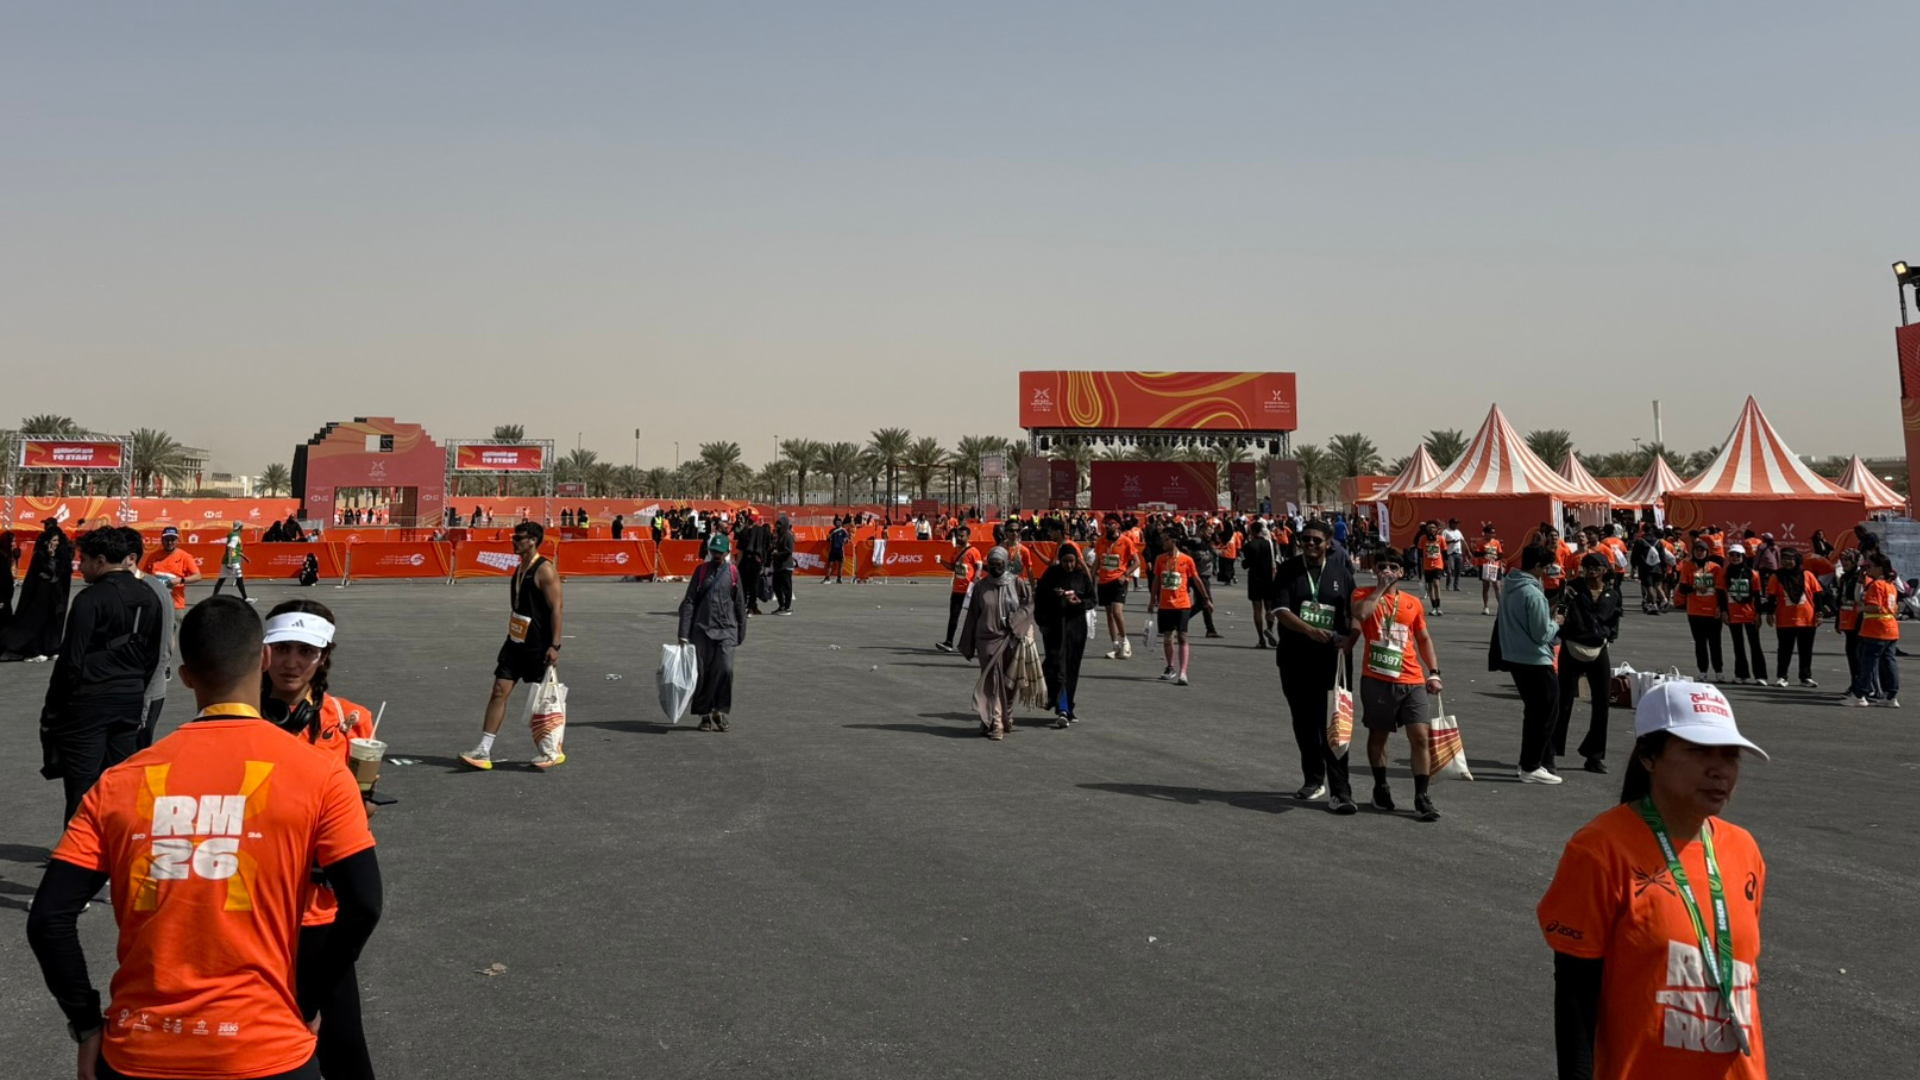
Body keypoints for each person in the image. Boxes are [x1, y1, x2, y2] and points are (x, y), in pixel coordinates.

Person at [26, 595, 383, 1080]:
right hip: (265, 1045)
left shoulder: (118, 782)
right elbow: (364, 904)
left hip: (140, 1049)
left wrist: (86, 1023)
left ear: (186, 675)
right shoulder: (322, 775)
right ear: (263, 659)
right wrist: (307, 1000)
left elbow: (49, 918)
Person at [1537, 680, 1767, 1079]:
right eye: (1698, 751)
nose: (1719, 770)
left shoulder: (1743, 849)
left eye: (1730, 755)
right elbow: (1576, 994)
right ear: (1648, 756)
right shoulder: (1600, 850)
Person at [257, 600, 378, 1080]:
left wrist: (360, 806)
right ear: (263, 652)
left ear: (324, 656)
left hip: (320, 910)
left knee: (344, 1044)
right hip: (254, 904)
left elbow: (360, 812)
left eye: (306, 651)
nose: (291, 662)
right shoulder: (240, 716)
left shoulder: (352, 720)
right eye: (282, 648)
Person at [37, 527, 166, 822]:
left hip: (89, 703)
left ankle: (79, 847)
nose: (80, 567)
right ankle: (117, 842)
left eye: (84, 560)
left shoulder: (90, 598)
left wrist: (52, 710)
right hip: (130, 700)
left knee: (82, 788)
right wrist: (135, 685)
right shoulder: (150, 594)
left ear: (101, 560)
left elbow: (70, 661)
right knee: (119, 784)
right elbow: (154, 655)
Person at [460, 522, 565, 770]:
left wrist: (555, 645)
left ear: (533, 541)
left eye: (519, 538)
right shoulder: (520, 568)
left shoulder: (545, 570)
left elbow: (557, 608)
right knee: (499, 690)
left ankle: (551, 750)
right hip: (515, 641)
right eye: (513, 537)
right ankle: (484, 749)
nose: (514, 542)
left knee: (545, 699)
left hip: (538, 645)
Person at [1269, 519, 1357, 813]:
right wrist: (1308, 630)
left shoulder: (1341, 573)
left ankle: (1341, 792)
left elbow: (1354, 612)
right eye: (1305, 539)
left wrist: (1351, 638)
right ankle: (1313, 779)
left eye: (1316, 540)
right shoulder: (1288, 570)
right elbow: (1280, 609)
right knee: (1304, 722)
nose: (1309, 544)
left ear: (1328, 543)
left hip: (1333, 661)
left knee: (1334, 722)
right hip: (1295, 659)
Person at [1349, 558, 1444, 821]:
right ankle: (1380, 787)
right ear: (1375, 571)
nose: (1387, 571)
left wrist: (1434, 672)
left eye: (1393, 567)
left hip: (1412, 679)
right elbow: (1362, 615)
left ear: (1402, 572)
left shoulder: (1412, 602)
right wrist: (1381, 588)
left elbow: (1423, 638)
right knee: (1378, 736)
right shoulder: (1363, 594)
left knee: (1420, 737)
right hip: (1377, 679)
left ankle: (1421, 796)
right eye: (1382, 566)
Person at [1500, 544, 1565, 784]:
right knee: (1546, 713)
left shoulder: (1510, 585)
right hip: (1535, 659)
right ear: (1537, 566)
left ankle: (1527, 762)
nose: (1547, 572)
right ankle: (1531, 765)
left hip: (1515, 656)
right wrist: (1556, 622)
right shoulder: (1533, 593)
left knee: (1534, 713)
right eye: (1545, 567)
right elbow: (1541, 634)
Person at [1555, 553, 1622, 775]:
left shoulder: (1612, 593)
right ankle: (1551, 752)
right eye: (1587, 565)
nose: (1591, 569)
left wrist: (1608, 634)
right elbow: (1559, 611)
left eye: (1595, 565)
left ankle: (1594, 756)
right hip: (1572, 646)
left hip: (1599, 648)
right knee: (1563, 700)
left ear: (1605, 569)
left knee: (1602, 702)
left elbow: (1615, 618)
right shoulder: (1572, 588)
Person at [958, 547, 1034, 740]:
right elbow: (972, 616)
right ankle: (997, 723)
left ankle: (1000, 717)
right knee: (992, 682)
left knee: (1009, 683)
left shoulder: (1016, 583)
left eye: (999, 564)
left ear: (1006, 563)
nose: (995, 568)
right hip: (987, 640)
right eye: (991, 564)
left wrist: (1016, 620)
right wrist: (968, 644)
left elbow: (1029, 605)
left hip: (1010, 639)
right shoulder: (980, 587)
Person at [679, 533, 748, 731]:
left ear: (727, 552)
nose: (717, 555)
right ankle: (705, 715)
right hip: (702, 629)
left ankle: (720, 709)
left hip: (727, 630)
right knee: (703, 672)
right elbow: (689, 601)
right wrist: (683, 633)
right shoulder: (701, 571)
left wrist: (741, 631)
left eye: (720, 552)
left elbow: (739, 603)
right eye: (714, 552)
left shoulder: (733, 572)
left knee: (725, 669)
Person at [126, 528, 177, 750]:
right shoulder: (152, 562)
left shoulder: (154, 591)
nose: (169, 543)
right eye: (167, 539)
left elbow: (162, 649)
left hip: (146, 691)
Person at [1036, 542, 1095, 728]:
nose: (1069, 565)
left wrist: (1079, 601)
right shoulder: (1051, 575)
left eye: (1072, 561)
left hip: (1076, 630)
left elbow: (1092, 599)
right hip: (1054, 629)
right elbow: (1039, 599)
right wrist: (1042, 622)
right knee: (1057, 666)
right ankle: (1061, 708)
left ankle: (1067, 705)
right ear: (1059, 560)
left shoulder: (1082, 576)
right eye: (1065, 561)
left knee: (1072, 668)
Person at [0, 518, 74, 661]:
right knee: (33, 622)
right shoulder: (40, 555)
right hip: (39, 596)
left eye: (57, 541)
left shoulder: (60, 554)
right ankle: (31, 650)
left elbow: (61, 572)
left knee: (52, 622)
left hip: (55, 596)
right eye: (53, 540)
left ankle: (50, 648)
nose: (56, 543)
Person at [1148, 530, 1210, 686]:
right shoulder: (1160, 559)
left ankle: (1183, 672)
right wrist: (1152, 600)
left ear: (1173, 541)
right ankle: (1170, 667)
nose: (1163, 543)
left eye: (1165, 540)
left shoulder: (1186, 560)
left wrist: (1206, 599)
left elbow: (1196, 579)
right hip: (1165, 604)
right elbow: (1157, 580)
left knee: (1182, 636)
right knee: (1167, 637)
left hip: (1182, 604)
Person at [1843, 552, 1899, 707]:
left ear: (1880, 568)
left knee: (1868, 662)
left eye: (1870, 566)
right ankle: (1891, 695)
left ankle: (1860, 694)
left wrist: (1861, 609)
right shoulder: (1890, 585)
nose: (1868, 570)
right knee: (1889, 662)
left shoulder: (1877, 585)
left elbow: (1875, 606)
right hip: (1890, 627)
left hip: (1876, 628)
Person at [1763, 547, 1821, 689]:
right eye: (1784, 559)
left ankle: (1805, 677)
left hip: (1807, 619)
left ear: (1797, 560)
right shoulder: (1776, 576)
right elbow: (1771, 597)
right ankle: (1782, 677)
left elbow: (1818, 594)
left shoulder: (1807, 575)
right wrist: (1769, 614)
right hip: (1785, 620)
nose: (1787, 562)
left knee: (1806, 650)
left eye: (1790, 559)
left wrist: (1819, 613)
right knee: (1784, 650)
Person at [1674, 539, 1726, 682]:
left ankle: (1719, 671)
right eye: (1696, 550)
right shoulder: (1688, 566)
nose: (1699, 553)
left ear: (1707, 552)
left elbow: (1721, 590)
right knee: (1700, 643)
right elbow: (1683, 588)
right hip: (1695, 612)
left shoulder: (1715, 567)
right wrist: (1696, 587)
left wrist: (1721, 608)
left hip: (1712, 611)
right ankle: (1703, 671)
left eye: (1702, 550)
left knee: (1715, 643)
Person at [1093, 516, 1143, 659]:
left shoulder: (1126, 541)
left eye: (1110, 524)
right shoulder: (1101, 541)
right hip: (1104, 581)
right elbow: (1097, 561)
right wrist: (1090, 578)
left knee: (1116, 611)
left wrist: (1125, 574)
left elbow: (1137, 562)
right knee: (1109, 614)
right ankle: (1115, 646)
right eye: (1105, 524)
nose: (1107, 527)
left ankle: (1125, 641)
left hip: (1118, 580)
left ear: (1117, 525)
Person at [1721, 546, 1768, 686]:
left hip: (1750, 613)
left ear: (1743, 557)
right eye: (1732, 555)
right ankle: (1741, 674)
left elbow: (1757, 595)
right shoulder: (1724, 573)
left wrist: (1759, 614)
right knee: (1738, 645)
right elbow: (1721, 594)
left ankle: (1760, 676)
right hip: (1733, 613)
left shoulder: (1752, 574)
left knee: (1755, 645)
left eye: (1738, 555)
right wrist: (1723, 611)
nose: (1735, 558)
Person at [934, 526, 982, 653]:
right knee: (953, 617)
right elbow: (952, 567)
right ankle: (949, 642)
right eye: (958, 535)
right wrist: (941, 561)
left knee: (973, 618)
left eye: (962, 536)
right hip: (957, 590)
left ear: (968, 537)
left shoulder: (973, 551)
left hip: (969, 590)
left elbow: (978, 567)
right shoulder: (956, 550)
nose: (960, 538)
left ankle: (976, 643)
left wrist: (974, 582)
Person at [140, 526, 203, 614]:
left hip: (175, 604)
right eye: (167, 540)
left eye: (172, 540)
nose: (169, 542)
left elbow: (197, 576)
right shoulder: (153, 556)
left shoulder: (185, 557)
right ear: (162, 540)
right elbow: (144, 576)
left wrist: (180, 580)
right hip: (155, 602)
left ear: (177, 540)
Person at [1242, 519, 1280, 648]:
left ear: (1252, 531)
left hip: (1254, 579)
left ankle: (1261, 639)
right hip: (1268, 578)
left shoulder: (1249, 546)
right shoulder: (1269, 544)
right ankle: (1270, 629)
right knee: (1269, 608)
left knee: (1257, 609)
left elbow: (1245, 564)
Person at [1831, 549, 1864, 692]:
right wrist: (1837, 621)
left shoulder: (1860, 577)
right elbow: (1840, 600)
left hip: (1859, 619)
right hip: (1847, 619)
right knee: (1851, 652)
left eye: (1847, 560)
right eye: (1843, 560)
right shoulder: (1844, 577)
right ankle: (1855, 682)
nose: (1844, 563)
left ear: (1855, 561)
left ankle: (1860, 684)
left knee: (1857, 653)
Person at [210, 522, 253, 603]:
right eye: (242, 527)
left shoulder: (233, 535)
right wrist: (230, 562)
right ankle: (245, 598)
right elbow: (230, 548)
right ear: (240, 527)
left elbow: (235, 550)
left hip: (227, 560)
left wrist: (244, 557)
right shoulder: (235, 537)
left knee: (221, 580)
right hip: (233, 561)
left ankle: (213, 598)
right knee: (239, 579)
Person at [1417, 522, 1447, 615]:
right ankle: (1434, 607)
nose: (1431, 529)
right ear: (1426, 529)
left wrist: (1447, 566)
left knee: (1436, 583)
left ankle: (1438, 607)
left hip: (1438, 564)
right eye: (1429, 527)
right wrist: (1421, 567)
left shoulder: (1441, 538)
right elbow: (1420, 555)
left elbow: (1445, 553)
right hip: (1427, 565)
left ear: (1436, 529)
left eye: (1433, 527)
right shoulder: (1423, 539)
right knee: (1429, 586)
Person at [769, 515, 796, 614]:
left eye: (780, 524)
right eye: (777, 524)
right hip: (778, 566)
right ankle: (781, 605)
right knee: (776, 586)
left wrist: (777, 554)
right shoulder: (779, 536)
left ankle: (787, 607)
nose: (778, 527)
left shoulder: (788, 536)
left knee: (787, 587)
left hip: (786, 566)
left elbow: (789, 551)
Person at [1477, 525, 1505, 616]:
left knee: (1497, 586)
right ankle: (1486, 607)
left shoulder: (1496, 542)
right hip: (1485, 566)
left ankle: (1501, 607)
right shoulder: (1481, 542)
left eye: (1494, 533)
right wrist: (1484, 553)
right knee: (1486, 586)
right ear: (1485, 533)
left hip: (1495, 566)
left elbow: (1500, 554)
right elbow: (1476, 554)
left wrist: (1495, 558)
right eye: (1491, 532)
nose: (1493, 534)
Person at [1442, 518, 1467, 592]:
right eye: (1454, 523)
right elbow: (1442, 542)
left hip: (1458, 553)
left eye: (1456, 523)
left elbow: (1463, 541)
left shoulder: (1458, 532)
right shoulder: (1445, 532)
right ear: (1450, 524)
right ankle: (1448, 585)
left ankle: (1456, 586)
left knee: (1458, 570)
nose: (1456, 525)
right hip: (1449, 553)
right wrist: (1450, 542)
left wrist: (1468, 551)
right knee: (1450, 570)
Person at [826, 518, 850, 584]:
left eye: (839, 522)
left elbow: (847, 538)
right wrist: (828, 537)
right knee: (830, 564)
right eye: (836, 522)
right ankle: (827, 578)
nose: (837, 523)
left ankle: (839, 578)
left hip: (840, 550)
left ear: (841, 523)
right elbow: (828, 539)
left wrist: (844, 540)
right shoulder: (832, 530)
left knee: (840, 565)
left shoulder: (843, 531)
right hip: (832, 550)